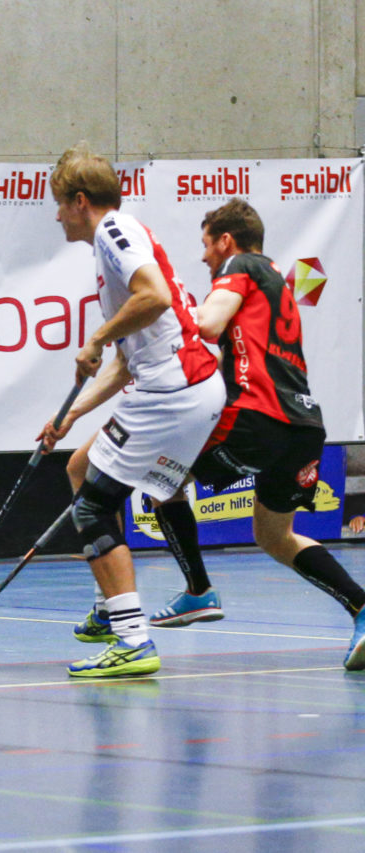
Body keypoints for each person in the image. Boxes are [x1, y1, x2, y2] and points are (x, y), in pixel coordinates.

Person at [141, 198, 365, 670]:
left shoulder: (241, 265)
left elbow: (207, 323)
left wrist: (165, 301)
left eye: (206, 245)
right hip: (304, 426)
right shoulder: (275, 283)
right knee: (275, 535)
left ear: (226, 240)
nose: (204, 258)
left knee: (160, 478)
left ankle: (198, 592)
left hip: (257, 419)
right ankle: (362, 606)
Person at [37, 142, 225, 678]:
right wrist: (72, 415)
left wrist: (95, 337)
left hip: (175, 390)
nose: (56, 216)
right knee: (80, 467)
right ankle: (109, 604)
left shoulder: (114, 233)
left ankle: (133, 639)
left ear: (79, 201)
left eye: (58, 204)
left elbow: (157, 296)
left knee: (93, 509)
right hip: (182, 387)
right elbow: (125, 363)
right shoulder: (117, 240)